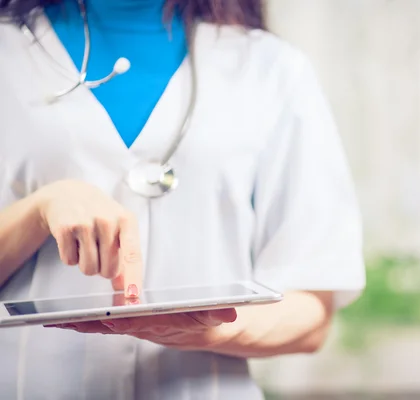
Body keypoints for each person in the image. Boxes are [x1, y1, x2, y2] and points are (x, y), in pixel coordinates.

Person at [0, 0, 365, 399]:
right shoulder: (9, 52)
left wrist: (210, 327)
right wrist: (37, 212)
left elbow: (311, 309)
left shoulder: (270, 67)